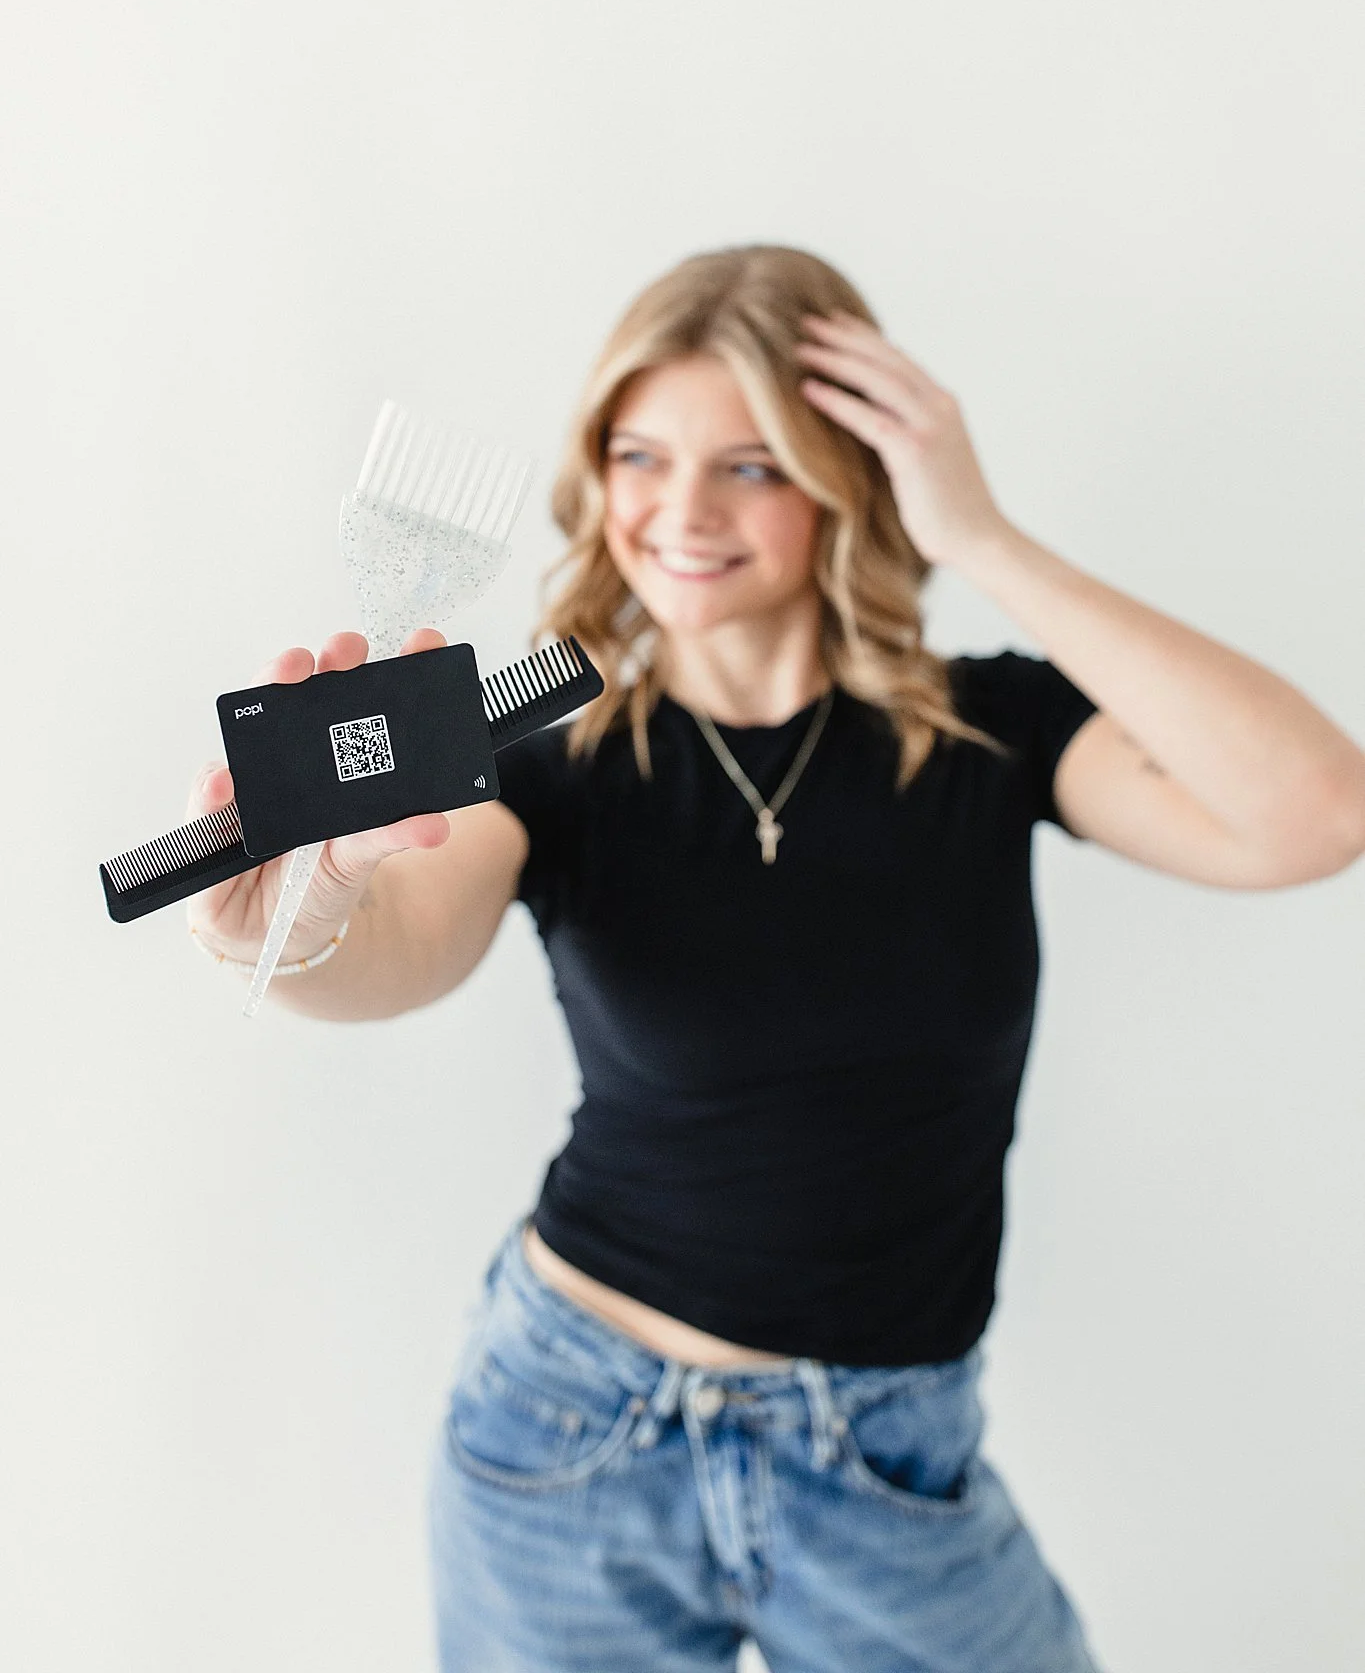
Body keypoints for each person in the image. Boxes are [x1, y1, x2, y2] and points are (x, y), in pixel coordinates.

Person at [185, 246, 1365, 1672]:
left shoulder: (992, 735)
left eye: (748, 466)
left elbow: (1315, 813)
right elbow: (398, 946)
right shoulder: (549, 759)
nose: (681, 512)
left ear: (844, 481)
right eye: (641, 455)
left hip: (887, 1468)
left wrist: (981, 536)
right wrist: (296, 919)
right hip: (569, 1436)